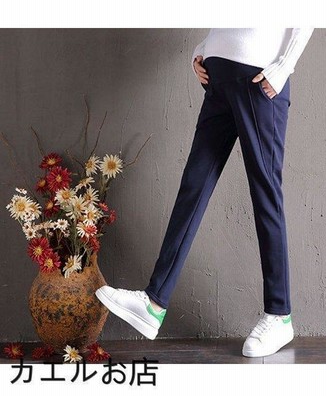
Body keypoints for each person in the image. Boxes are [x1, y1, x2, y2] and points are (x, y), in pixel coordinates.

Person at [96, 27, 314, 358]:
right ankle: (154, 303)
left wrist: (284, 66)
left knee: (265, 195)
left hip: (259, 80)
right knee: (193, 187)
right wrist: (204, 49)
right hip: (218, 82)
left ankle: (279, 314)